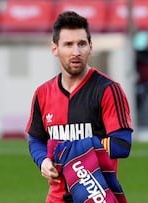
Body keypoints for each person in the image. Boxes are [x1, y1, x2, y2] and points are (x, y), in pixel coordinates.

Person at [25, 11, 133, 203]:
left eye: (81, 44)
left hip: (96, 195)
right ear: (54, 48)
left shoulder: (108, 90)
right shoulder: (43, 94)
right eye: (68, 44)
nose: (76, 52)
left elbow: (122, 144)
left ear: (90, 47)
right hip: (56, 198)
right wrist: (43, 160)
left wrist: (68, 151)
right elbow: (36, 138)